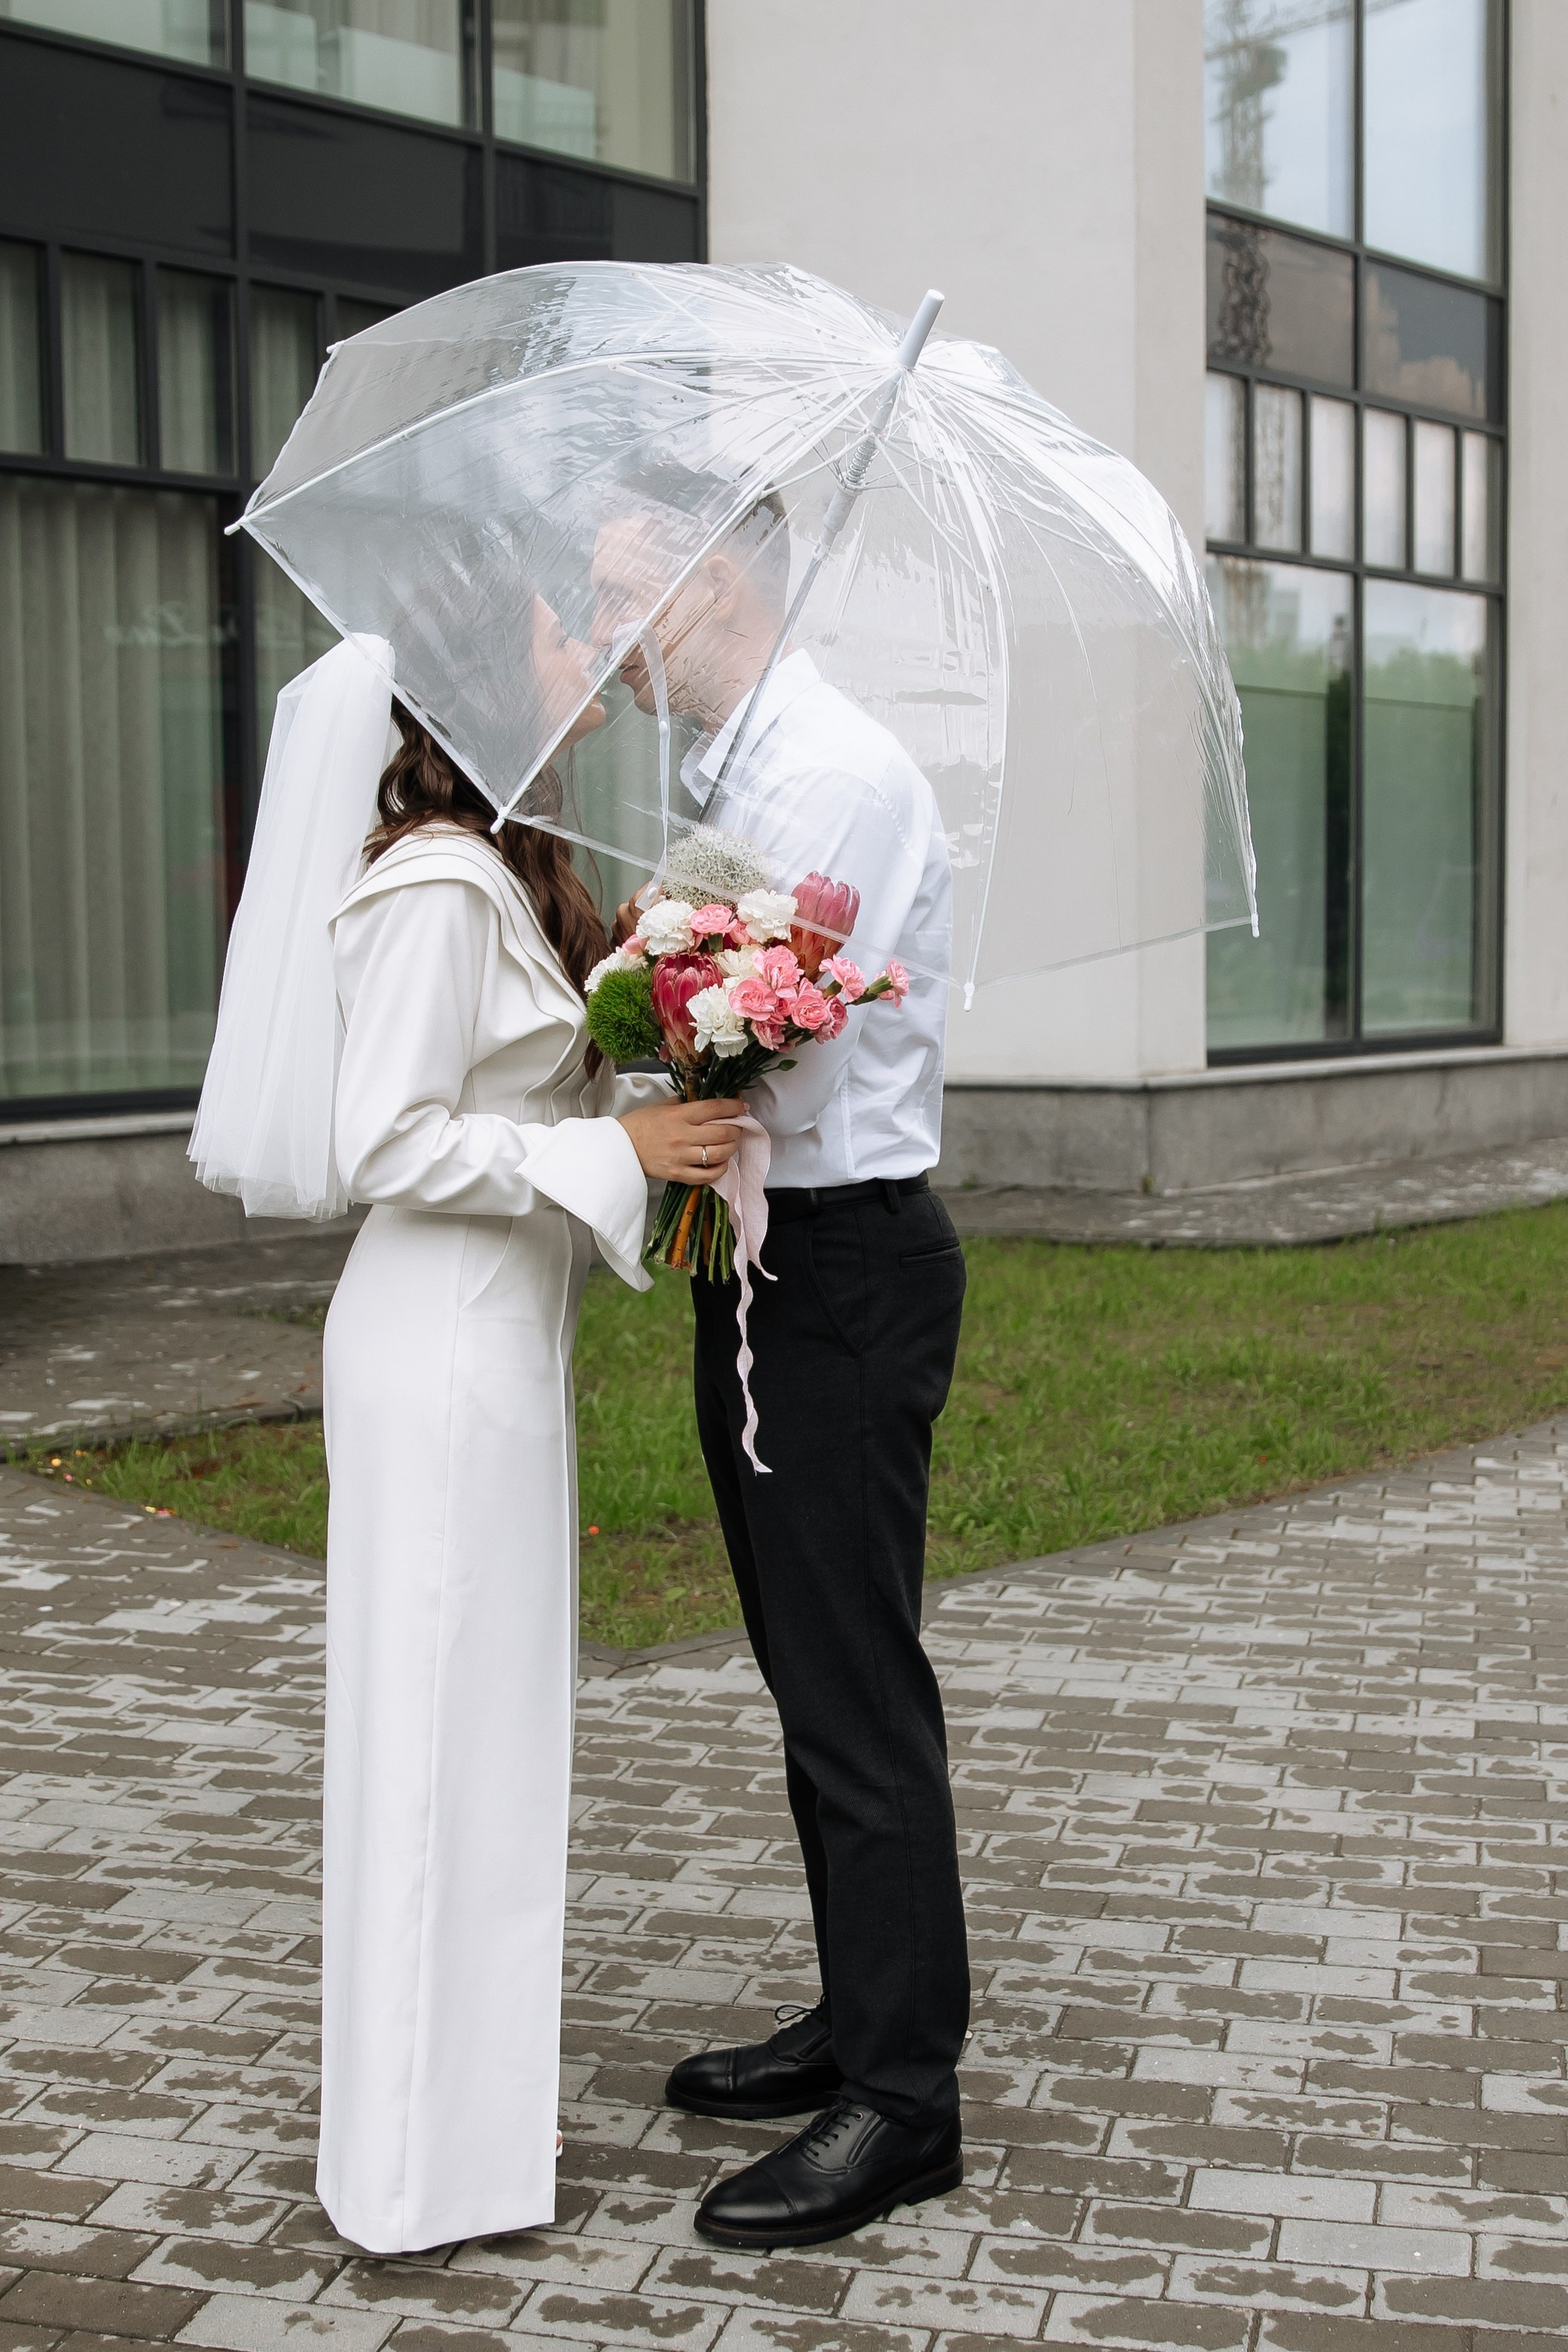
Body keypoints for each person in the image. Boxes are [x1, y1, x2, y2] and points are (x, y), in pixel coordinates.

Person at [309, 597, 743, 2254]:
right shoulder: (430, 883)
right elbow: (388, 1140)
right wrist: (613, 1158)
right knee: (433, 1751)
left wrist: (650, 1009)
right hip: (438, 1345)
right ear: (493, 682)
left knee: (480, 1750)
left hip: (497, 1344)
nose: (589, 657)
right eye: (559, 636)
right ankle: (414, 2172)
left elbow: (521, 1098)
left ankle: (455, 2151)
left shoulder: (501, 873)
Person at [591, 492, 970, 2250]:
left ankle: (905, 2096)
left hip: (840, 1263)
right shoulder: (744, 772)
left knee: (853, 1684)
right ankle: (855, 2012)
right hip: (769, 1261)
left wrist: (658, 1035)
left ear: (713, 579)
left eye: (622, 596)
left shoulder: (830, 772)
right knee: (808, 1669)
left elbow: (785, 1069)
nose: (610, 637)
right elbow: (719, 1020)